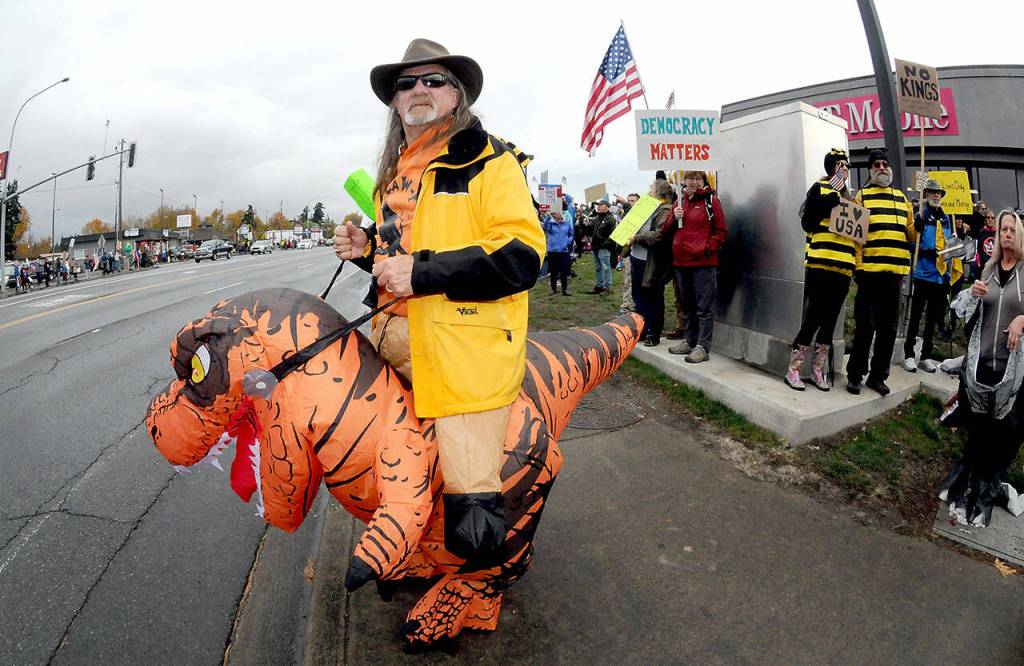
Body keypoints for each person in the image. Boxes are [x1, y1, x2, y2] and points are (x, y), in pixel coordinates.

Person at [332, 38, 545, 560]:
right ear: (395, 102)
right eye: (406, 84)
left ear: (457, 96)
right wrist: (366, 253)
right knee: (393, 473)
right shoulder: (393, 174)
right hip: (390, 345)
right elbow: (399, 257)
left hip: (459, 352)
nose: (419, 90)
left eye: (433, 80)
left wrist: (423, 273)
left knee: (471, 511)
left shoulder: (491, 160)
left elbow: (521, 258)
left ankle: (476, 592)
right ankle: (417, 562)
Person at [943, 209, 1024, 527]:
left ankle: (985, 495)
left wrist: (1022, 319)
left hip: (1012, 371)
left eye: (1012, 229)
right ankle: (965, 493)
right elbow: (962, 310)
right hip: (981, 366)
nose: (1006, 234)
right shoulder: (989, 270)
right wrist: (973, 294)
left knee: (998, 435)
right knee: (977, 432)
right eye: (1003, 229)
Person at [786, 149, 861, 390]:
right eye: (841, 166)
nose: (845, 170)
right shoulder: (819, 189)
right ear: (831, 168)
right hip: (820, 263)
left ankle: (818, 370)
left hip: (843, 268)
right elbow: (807, 222)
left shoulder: (853, 199)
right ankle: (794, 369)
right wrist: (832, 199)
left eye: (847, 167)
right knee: (813, 317)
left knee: (830, 321)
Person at [845, 147, 915, 395]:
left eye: (885, 164)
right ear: (870, 170)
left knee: (888, 330)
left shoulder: (902, 199)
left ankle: (878, 376)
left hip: (896, 276)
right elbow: (854, 238)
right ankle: (855, 375)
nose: (882, 168)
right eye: (877, 165)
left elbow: (911, 233)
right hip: (870, 274)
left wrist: (923, 220)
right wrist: (859, 267)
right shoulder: (861, 197)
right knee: (865, 327)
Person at [668, 170, 728, 364]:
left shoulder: (711, 201)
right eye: (690, 178)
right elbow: (666, 230)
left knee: (704, 307)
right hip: (681, 262)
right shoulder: (679, 201)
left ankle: (703, 346)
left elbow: (721, 231)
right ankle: (690, 339)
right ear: (683, 181)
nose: (694, 182)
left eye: (698, 178)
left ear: (703, 180)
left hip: (703, 262)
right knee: (688, 305)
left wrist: (706, 248)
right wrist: (672, 217)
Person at [902, 179, 956, 373]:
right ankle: (909, 354)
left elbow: (949, 243)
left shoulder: (946, 218)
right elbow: (910, 243)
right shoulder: (921, 215)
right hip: (923, 274)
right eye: (932, 193)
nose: (936, 196)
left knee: (933, 318)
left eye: (939, 193)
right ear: (926, 195)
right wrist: (916, 231)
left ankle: (925, 355)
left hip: (940, 276)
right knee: (916, 316)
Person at [626, 179, 675, 346]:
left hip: (652, 262)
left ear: (659, 192)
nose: (648, 191)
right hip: (637, 259)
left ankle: (653, 332)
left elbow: (660, 235)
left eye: (651, 188)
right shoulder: (645, 206)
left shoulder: (666, 210)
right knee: (638, 297)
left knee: (653, 298)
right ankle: (641, 330)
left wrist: (637, 238)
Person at [588, 200, 617, 294]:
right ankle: (599, 285)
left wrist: (605, 244)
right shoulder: (598, 218)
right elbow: (591, 231)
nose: (598, 207)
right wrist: (586, 225)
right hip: (596, 246)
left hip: (604, 247)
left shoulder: (610, 219)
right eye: (598, 205)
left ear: (607, 207)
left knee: (605, 267)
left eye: (601, 205)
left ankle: (606, 286)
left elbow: (613, 234)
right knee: (598, 267)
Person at [542, 211, 573, 295]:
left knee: (564, 272)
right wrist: (548, 217)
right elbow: (544, 228)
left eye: (561, 218)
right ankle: (553, 289)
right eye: (558, 218)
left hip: (564, 251)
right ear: (555, 218)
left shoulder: (567, 224)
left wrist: (568, 241)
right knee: (553, 272)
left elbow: (571, 234)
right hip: (553, 251)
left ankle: (564, 290)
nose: (560, 220)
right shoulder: (551, 225)